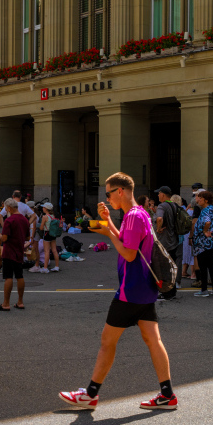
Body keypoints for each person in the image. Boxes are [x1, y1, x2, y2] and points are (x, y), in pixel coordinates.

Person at [60, 171, 175, 410]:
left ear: (120, 191)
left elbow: (129, 253)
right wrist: (109, 221)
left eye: (109, 193)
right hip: (145, 287)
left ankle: (90, 394)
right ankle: (167, 394)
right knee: (153, 340)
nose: (108, 198)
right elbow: (126, 239)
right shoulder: (140, 213)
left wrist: (106, 233)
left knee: (107, 341)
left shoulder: (133, 216)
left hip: (131, 289)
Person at [188, 188, 213, 296]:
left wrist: (204, 231)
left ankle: (204, 289)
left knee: (203, 266)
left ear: (205, 200)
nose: (197, 200)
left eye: (199, 198)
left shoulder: (205, 210)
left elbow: (207, 222)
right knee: (212, 265)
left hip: (203, 243)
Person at [0, 199, 30, 310]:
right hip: (19, 251)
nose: (6, 210)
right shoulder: (25, 220)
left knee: (8, 277)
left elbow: (5, 238)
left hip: (9, 251)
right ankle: (20, 302)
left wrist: (0, 236)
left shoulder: (9, 221)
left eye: (6, 208)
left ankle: (6, 303)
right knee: (20, 276)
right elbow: (27, 237)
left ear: (9, 208)